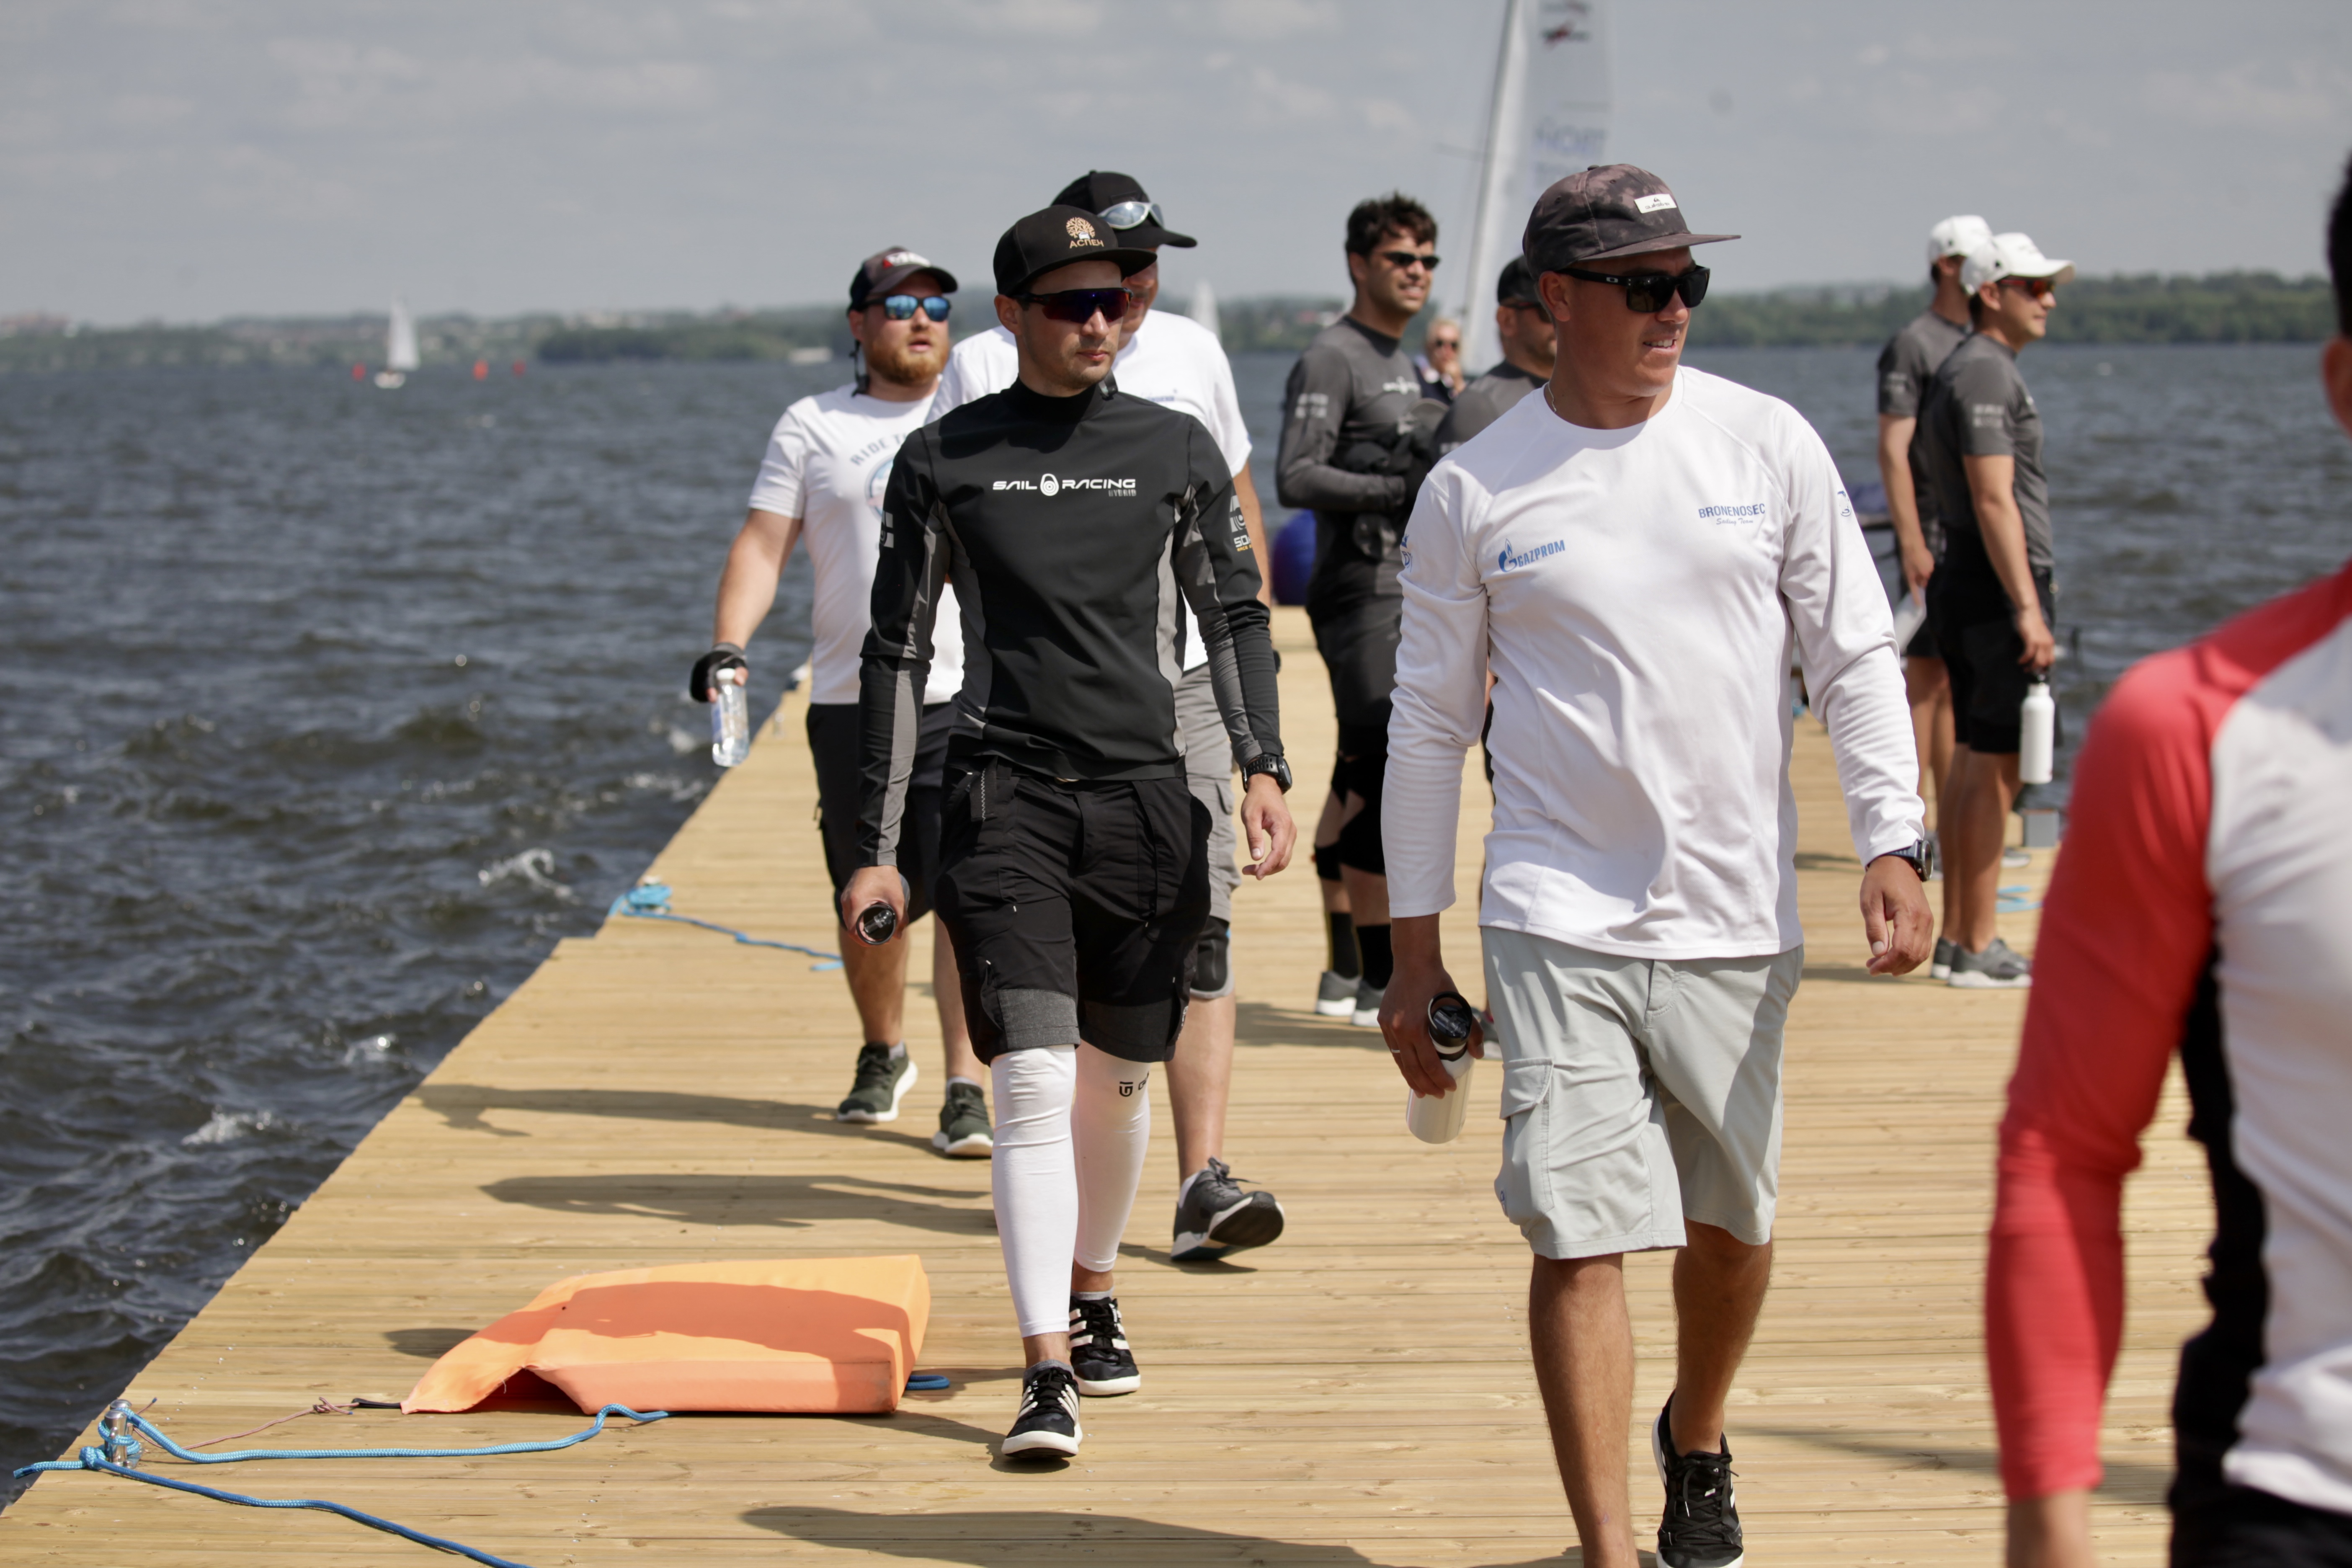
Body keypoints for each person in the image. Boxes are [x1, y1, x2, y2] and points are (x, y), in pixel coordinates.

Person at [1381, 164, 1932, 1568]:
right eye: (1641, 284)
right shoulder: (1473, 488)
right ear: (1551, 302)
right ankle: (1611, 1551)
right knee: (1574, 1232)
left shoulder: (1767, 445)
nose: (1671, 306)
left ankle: (1695, 1425)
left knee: (1729, 1225)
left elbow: (1854, 655)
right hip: (1552, 909)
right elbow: (1431, 728)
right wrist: (1411, 950)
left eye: (1685, 280)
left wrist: (1888, 835)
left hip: (1732, 912)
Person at [842, 206, 1295, 1460]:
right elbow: (892, 657)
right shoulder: (943, 460)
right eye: (1070, 304)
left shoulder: (1177, 448)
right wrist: (877, 844)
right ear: (1015, 317)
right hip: (1004, 797)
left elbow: (1238, 612)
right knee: (1033, 1080)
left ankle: (1098, 1284)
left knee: (1117, 1078)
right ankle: (1045, 1365)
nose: (1102, 320)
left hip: (1148, 802)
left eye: (1117, 300)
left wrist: (1261, 765)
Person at [1989, 158, 2352, 1568]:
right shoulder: (2195, 734)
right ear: (2341, 386)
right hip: (2301, 1490)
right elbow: (2064, 1149)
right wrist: (2047, 1519)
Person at [931, 170, 1289, 1266]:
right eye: (1100, 277)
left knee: (1204, 918)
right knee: (1040, 939)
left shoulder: (1193, 358)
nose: (1121, 298)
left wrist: (1259, 708)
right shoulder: (987, 367)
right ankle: (1017, 1115)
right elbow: (952, 533)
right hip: (1026, 705)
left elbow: (1235, 521)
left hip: (1176, 688)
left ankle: (1199, 1176)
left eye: (1140, 272)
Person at [690, 247, 990, 1157]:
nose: (923, 318)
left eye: (939, 302)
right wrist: (729, 646)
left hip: (969, 692)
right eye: (899, 303)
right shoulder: (812, 425)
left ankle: (964, 1084)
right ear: (859, 324)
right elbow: (761, 546)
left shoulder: (980, 421)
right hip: (853, 700)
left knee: (972, 891)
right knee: (874, 898)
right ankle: (883, 1048)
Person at [1276, 191, 1447, 1029]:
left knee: (1357, 771)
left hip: (1405, 589)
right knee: (1383, 768)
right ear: (1359, 265)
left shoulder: (1404, 360)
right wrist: (1398, 488)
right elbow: (1295, 476)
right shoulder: (1333, 358)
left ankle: (1345, 971)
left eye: (1427, 261)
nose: (1416, 274)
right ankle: (1382, 977)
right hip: (1356, 591)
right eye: (1399, 259)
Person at [1915, 230, 2073, 989]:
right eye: (2032, 286)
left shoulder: (1976, 368)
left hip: (1973, 583)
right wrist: (2028, 609)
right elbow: (1990, 496)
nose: (2047, 299)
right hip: (1990, 587)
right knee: (1996, 765)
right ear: (1991, 292)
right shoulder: (1983, 373)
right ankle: (1976, 943)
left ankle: (1961, 938)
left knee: (1979, 757)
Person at [1875, 214, 1990, 957]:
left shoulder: (1975, 342)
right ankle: (1908, 833)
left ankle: (1947, 833)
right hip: (1932, 543)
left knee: (1951, 683)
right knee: (1922, 685)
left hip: (1967, 543)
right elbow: (1892, 445)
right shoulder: (1915, 344)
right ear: (1948, 266)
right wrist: (1912, 539)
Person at [1436, 256, 1556, 453]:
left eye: (1567, 306)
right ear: (1507, 320)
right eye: (1547, 310)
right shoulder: (1478, 406)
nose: (1561, 319)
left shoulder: (1584, 398)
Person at [1417, 317, 1466, 401]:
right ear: (1429, 345)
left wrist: (1458, 383)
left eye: (1454, 345)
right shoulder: (1417, 377)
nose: (1447, 350)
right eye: (1440, 343)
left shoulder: (1457, 384)